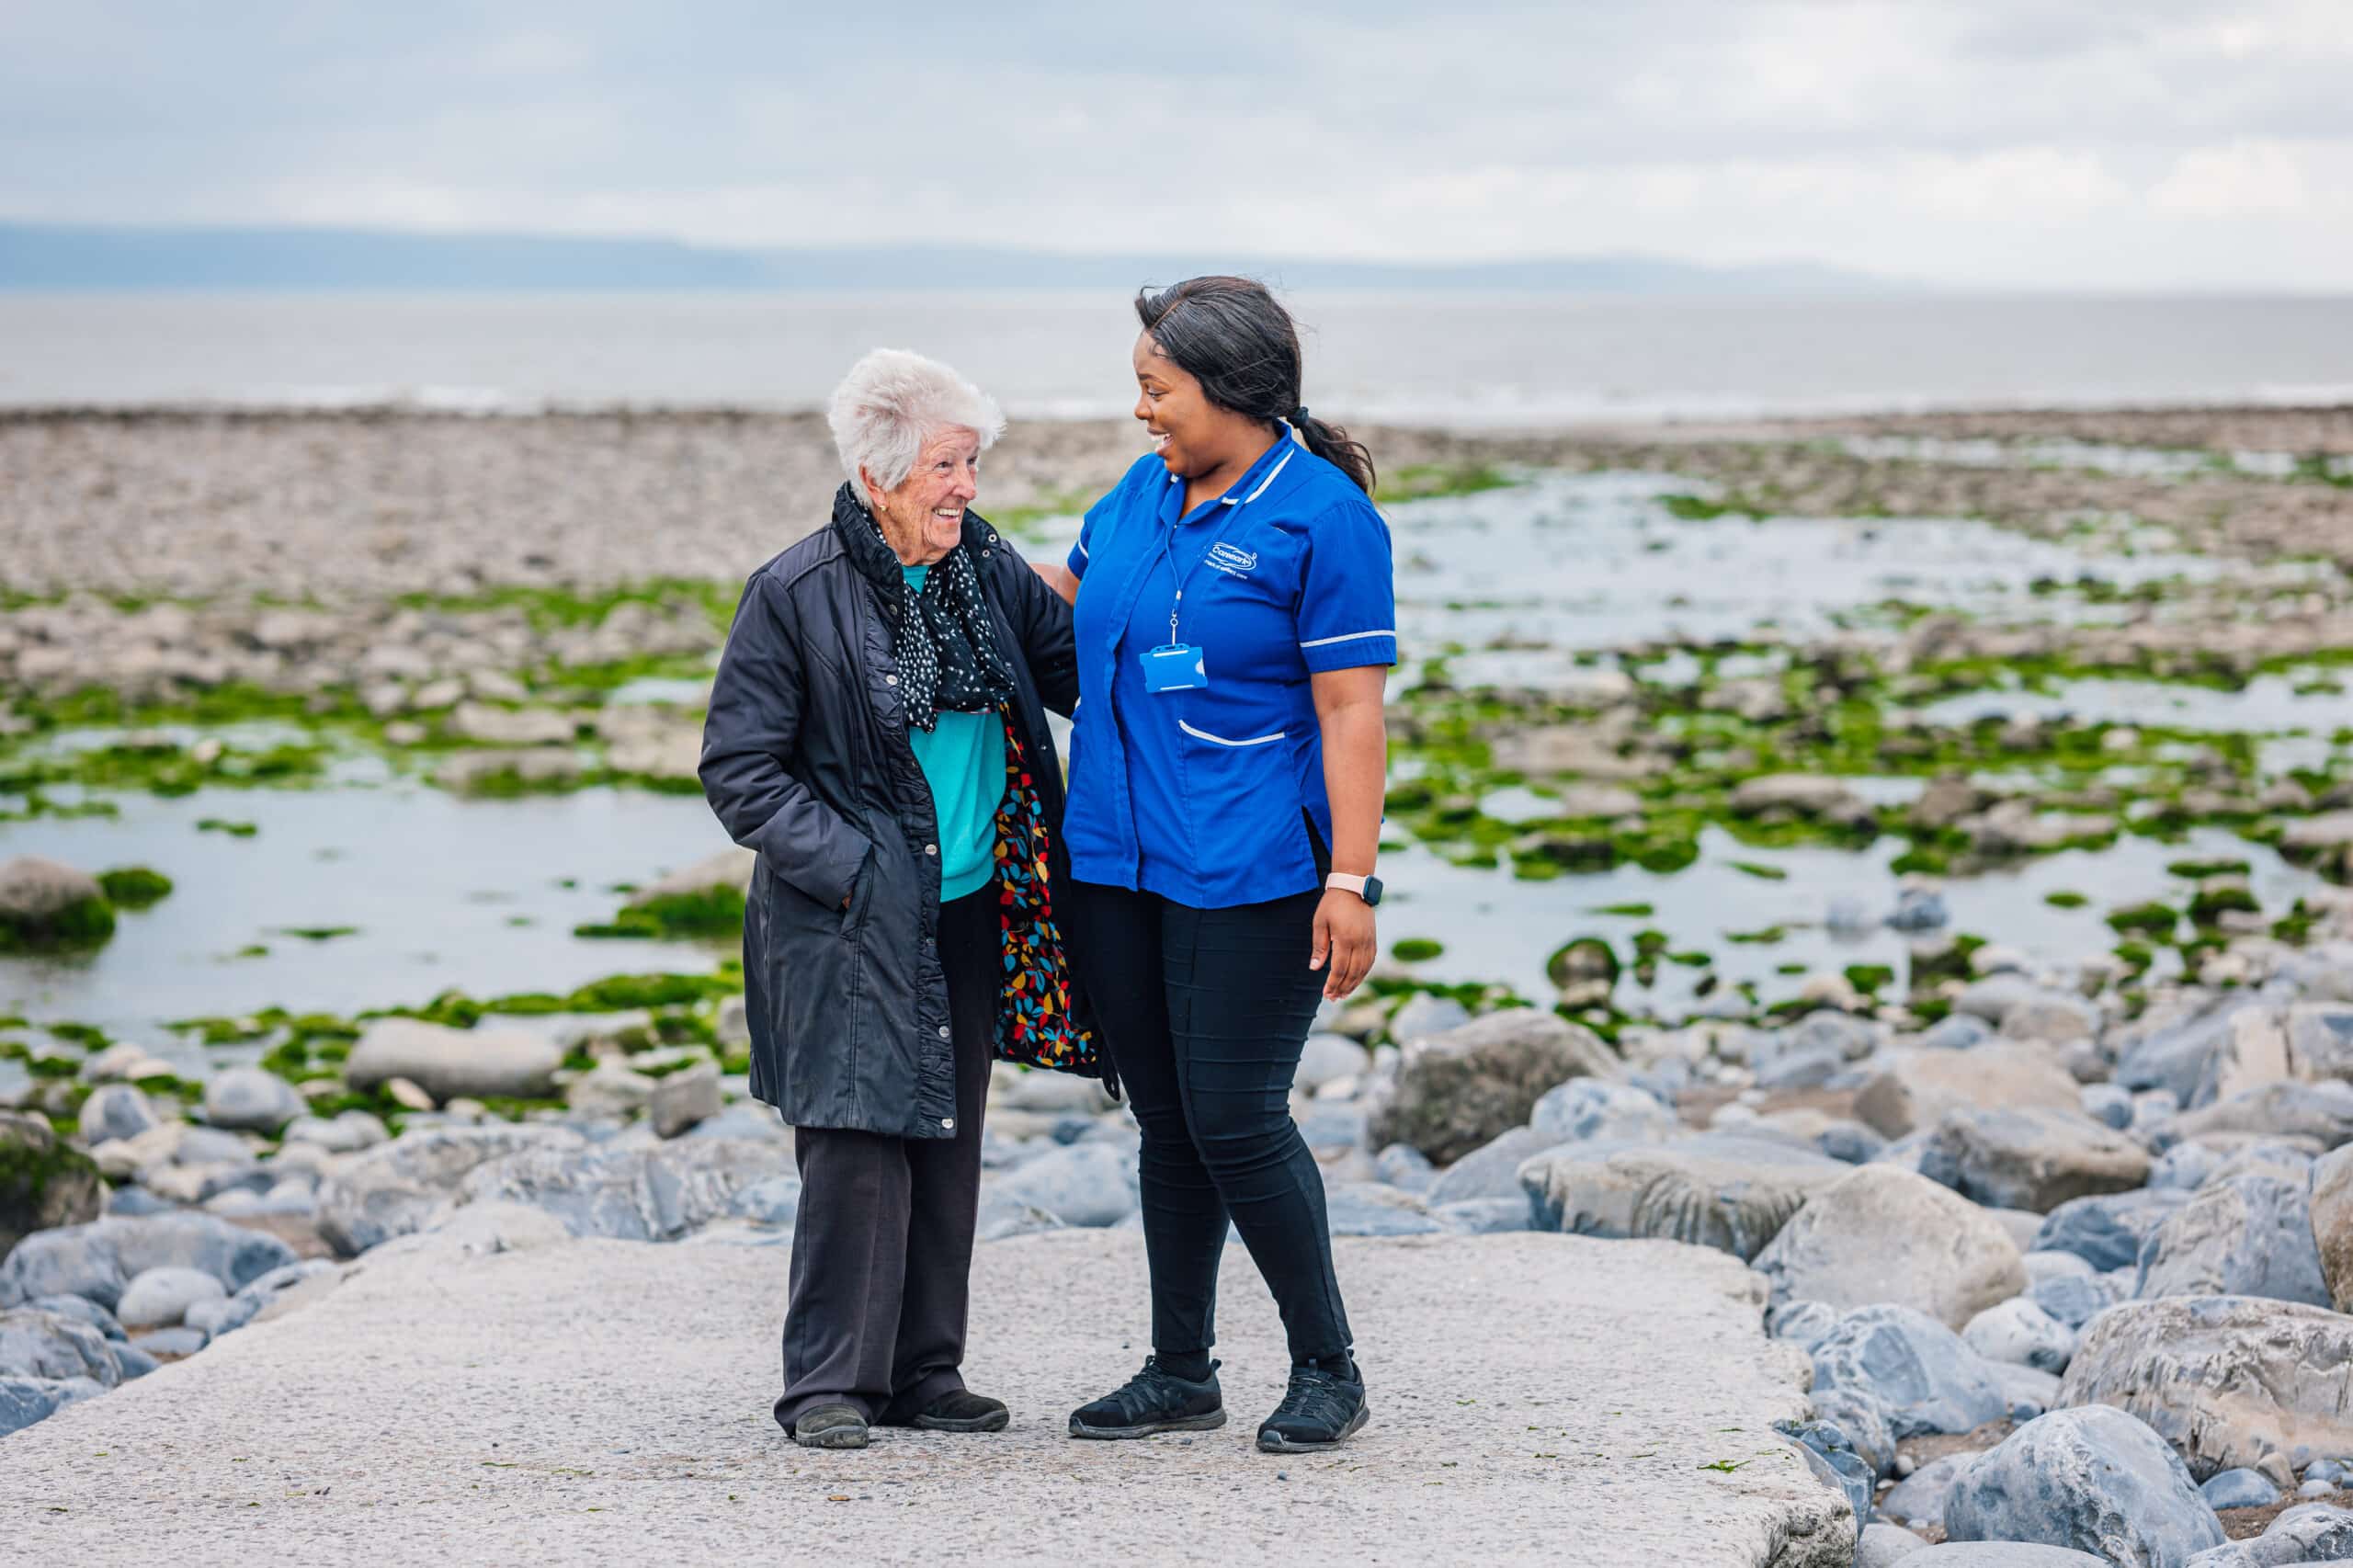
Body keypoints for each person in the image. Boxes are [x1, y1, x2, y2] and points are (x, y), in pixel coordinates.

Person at [699, 347, 1100, 1451]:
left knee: (946, 1132)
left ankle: (928, 1370)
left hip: (968, 904)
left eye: (971, 462)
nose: (967, 485)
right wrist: (851, 865)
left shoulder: (986, 569)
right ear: (879, 476)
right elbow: (739, 768)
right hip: (842, 912)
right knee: (853, 1141)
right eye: (946, 464)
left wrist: (1171, 595)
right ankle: (828, 1382)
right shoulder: (793, 591)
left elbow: (1075, 669)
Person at [1040, 276, 1394, 1454]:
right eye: (1138, 388)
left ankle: (1326, 1367)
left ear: (1233, 391)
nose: (1142, 412)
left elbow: (1350, 708)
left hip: (1255, 866)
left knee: (1237, 1115)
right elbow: (1066, 612)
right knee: (1166, 1120)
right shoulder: (1138, 495)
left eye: (1158, 390)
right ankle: (1179, 1369)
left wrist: (1351, 879)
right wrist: (927, 541)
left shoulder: (1323, 517)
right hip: (1116, 858)